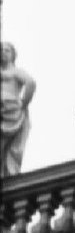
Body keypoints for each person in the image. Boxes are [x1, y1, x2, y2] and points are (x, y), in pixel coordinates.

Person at [1, 42, 36, 177]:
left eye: (7, 50)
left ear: (13, 55)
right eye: (1, 50)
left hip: (11, 111)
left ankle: (7, 172)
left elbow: (30, 83)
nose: (3, 52)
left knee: (9, 146)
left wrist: (24, 103)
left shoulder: (16, 71)